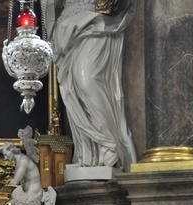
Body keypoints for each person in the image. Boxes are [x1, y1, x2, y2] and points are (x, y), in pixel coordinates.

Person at [43, 0, 138, 172]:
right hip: (68, 26)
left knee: (87, 81)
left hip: (95, 21)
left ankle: (109, 144)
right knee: (72, 89)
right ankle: (89, 153)